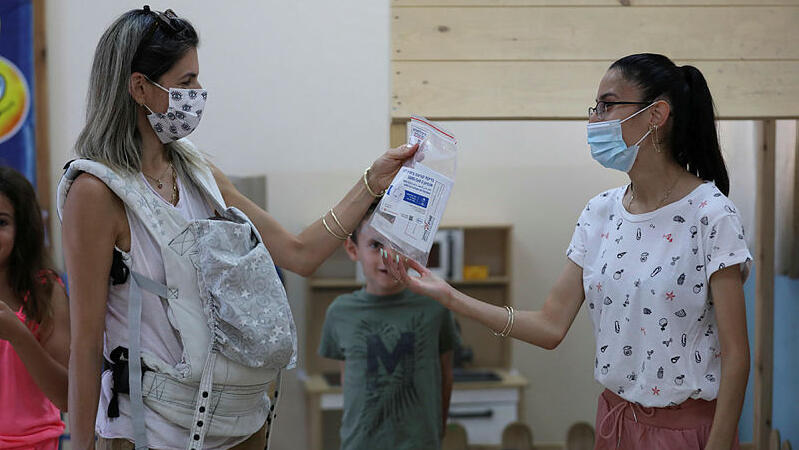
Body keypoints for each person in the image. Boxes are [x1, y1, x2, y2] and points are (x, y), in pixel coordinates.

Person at [59, 6, 417, 450]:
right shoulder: (95, 192)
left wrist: (371, 182)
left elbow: (300, 253)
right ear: (139, 88)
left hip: (239, 425)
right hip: (154, 434)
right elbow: (87, 343)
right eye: (186, 82)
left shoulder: (196, 169)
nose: (199, 93)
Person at [384, 53, 750, 450]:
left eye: (607, 105)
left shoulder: (711, 215)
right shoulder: (600, 212)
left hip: (685, 433)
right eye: (594, 108)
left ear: (656, 114)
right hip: (614, 424)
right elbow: (549, 325)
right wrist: (449, 296)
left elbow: (736, 358)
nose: (593, 120)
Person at [318, 204, 459, 450]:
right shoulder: (339, 312)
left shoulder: (435, 307)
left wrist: (438, 430)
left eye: (400, 245)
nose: (389, 256)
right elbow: (346, 378)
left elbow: (445, 376)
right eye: (376, 245)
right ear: (353, 250)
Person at [0, 167, 70, 450]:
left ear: (22, 228)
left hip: (34, 444)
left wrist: (18, 335)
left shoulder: (45, 290)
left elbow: (66, 396)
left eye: (0, 222)